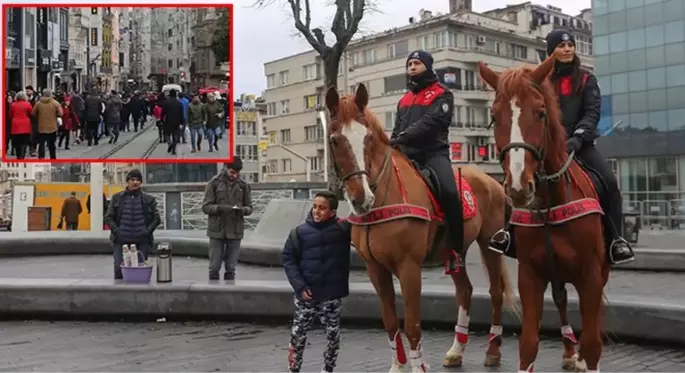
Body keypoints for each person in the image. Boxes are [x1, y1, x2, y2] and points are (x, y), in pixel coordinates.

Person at [489, 29, 635, 265]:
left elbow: (592, 113)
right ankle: (508, 233)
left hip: (580, 145)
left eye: (570, 45)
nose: (567, 49)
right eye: (560, 46)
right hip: (547, 148)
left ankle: (617, 239)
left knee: (608, 182)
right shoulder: (539, 81)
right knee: (516, 180)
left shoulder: (587, 79)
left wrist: (578, 136)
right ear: (550, 52)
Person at [389, 50, 464, 272]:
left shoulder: (442, 94)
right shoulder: (404, 99)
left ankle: (455, 251)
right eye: (409, 64)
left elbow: (431, 123)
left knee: (450, 193)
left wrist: (400, 138)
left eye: (417, 63)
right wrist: (393, 143)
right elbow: (398, 128)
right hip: (406, 155)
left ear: (428, 67)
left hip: (433, 154)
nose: (412, 67)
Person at [282, 191, 351, 373]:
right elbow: (288, 260)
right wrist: (300, 286)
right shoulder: (298, 233)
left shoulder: (344, 231)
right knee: (298, 336)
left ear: (333, 211)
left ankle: (328, 369)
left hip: (331, 297)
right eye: (314, 206)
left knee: (333, 337)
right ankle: (294, 369)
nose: (316, 211)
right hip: (307, 296)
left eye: (322, 208)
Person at [201, 157, 252, 280]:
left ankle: (230, 295)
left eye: (237, 173)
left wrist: (242, 210)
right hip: (217, 230)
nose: (235, 176)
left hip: (235, 230)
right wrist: (220, 208)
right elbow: (205, 207)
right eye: (232, 172)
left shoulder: (243, 186)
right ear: (225, 168)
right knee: (214, 267)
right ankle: (212, 294)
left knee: (231, 268)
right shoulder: (213, 183)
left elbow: (249, 207)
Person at [104, 169, 162, 280]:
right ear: (127, 181)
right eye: (132, 179)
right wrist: (117, 232)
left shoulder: (148, 199)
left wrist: (146, 231)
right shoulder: (117, 198)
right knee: (118, 270)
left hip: (141, 240)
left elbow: (157, 219)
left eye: (138, 180)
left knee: (139, 273)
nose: (135, 182)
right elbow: (108, 217)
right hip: (121, 240)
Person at [32, 88, 63, 159]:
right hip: (52, 127)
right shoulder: (55, 103)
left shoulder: (38, 103)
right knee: (52, 143)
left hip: (41, 127)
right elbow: (60, 113)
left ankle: (41, 156)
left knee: (41, 143)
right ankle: (53, 157)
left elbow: (33, 113)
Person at [8, 91, 33, 159]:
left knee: (17, 142)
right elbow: (31, 114)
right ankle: (22, 155)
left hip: (15, 125)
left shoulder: (13, 105)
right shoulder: (28, 104)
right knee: (24, 142)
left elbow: (10, 115)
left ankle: (18, 155)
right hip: (25, 125)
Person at [160, 89, 185, 155]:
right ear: (176, 95)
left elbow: (163, 113)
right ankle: (174, 149)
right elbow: (181, 114)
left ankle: (170, 144)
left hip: (168, 121)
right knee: (175, 136)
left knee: (167, 134)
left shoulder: (165, 102)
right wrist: (182, 122)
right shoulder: (179, 103)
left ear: (170, 94)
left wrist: (161, 119)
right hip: (176, 121)